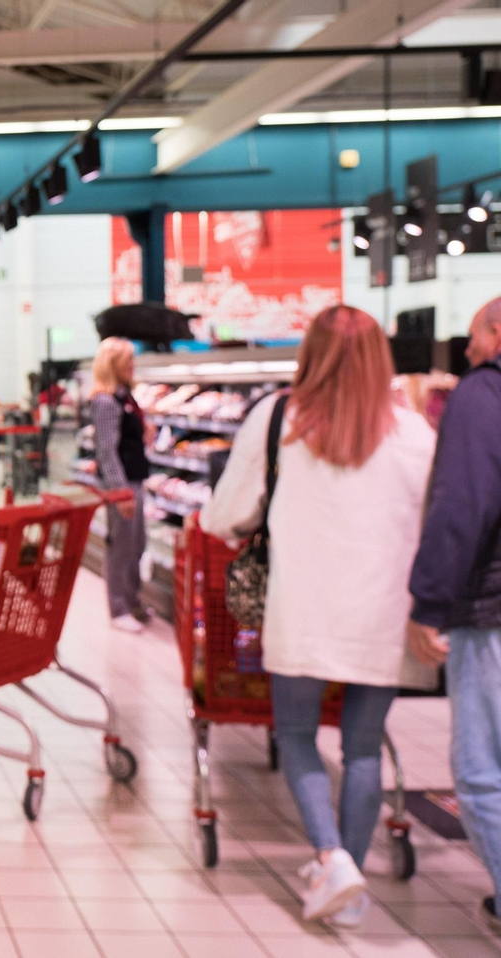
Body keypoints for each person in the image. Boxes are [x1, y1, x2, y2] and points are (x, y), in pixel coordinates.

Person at [203, 306, 435, 927]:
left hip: (304, 609)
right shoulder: (415, 436)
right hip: (387, 614)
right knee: (363, 750)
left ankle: (332, 859)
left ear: (311, 355)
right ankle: (350, 894)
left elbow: (226, 517)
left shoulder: (279, 420)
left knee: (298, 735)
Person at [406, 297, 501, 931]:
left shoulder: (482, 395)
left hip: (491, 610)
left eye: (475, 335)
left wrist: (429, 602)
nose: (465, 350)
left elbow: (462, 504)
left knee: (482, 772)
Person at [88, 337, 151, 632]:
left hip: (135, 481)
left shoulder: (125, 397)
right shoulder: (104, 401)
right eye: (128, 360)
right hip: (122, 486)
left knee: (137, 545)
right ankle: (118, 608)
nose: (132, 365)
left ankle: (132, 600)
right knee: (122, 547)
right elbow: (106, 450)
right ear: (112, 364)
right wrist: (120, 491)